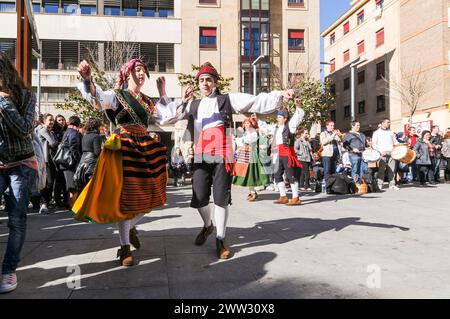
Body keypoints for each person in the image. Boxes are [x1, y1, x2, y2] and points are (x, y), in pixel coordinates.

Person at [156, 62, 295, 259]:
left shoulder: (227, 99)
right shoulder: (191, 103)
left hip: (223, 154)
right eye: (201, 80)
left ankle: (220, 238)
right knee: (199, 196)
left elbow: (255, 102)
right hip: (202, 155)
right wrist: (163, 92)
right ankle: (208, 225)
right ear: (198, 83)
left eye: (208, 80)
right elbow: (167, 117)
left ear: (215, 82)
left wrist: (280, 94)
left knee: (221, 197)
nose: (204, 83)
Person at [75, 58, 170, 266]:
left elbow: (167, 118)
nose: (142, 73)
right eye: (137, 69)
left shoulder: (146, 100)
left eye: (144, 69)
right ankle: (125, 246)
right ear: (127, 73)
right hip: (124, 147)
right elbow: (98, 99)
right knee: (126, 199)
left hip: (144, 147)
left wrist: (163, 92)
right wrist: (89, 80)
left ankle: (130, 228)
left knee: (154, 194)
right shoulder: (117, 95)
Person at [0, 53, 38, 293]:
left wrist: (2, 103)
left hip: (21, 165)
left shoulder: (26, 97)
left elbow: (24, 129)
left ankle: (9, 271)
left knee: (16, 219)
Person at [262, 96, 304, 205]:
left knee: (291, 176)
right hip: (278, 153)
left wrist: (298, 106)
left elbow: (297, 117)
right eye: (278, 117)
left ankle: (296, 198)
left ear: (285, 119)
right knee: (277, 175)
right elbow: (265, 128)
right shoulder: (276, 127)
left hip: (287, 153)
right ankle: (283, 196)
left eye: (280, 117)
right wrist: (257, 119)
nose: (278, 119)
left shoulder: (290, 126)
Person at [232, 117, 270, 201]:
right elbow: (240, 143)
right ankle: (252, 192)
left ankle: (253, 192)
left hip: (252, 154)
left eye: (248, 123)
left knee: (250, 174)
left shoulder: (253, 132)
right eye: (245, 123)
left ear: (251, 124)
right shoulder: (245, 132)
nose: (246, 125)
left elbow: (248, 141)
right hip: (245, 154)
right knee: (247, 174)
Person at [36, 113, 59, 213]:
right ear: (44, 121)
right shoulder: (43, 130)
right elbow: (53, 143)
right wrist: (56, 142)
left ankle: (45, 203)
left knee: (48, 182)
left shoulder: (48, 131)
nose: (52, 122)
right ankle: (44, 203)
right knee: (48, 182)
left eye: (53, 120)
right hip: (45, 160)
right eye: (50, 120)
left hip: (46, 159)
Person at [58, 116, 82, 207]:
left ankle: (70, 205)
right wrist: (79, 160)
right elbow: (74, 147)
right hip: (70, 163)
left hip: (65, 162)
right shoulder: (73, 133)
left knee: (70, 186)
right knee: (73, 186)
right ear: (78, 124)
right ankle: (73, 206)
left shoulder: (67, 132)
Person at [74, 118, 103, 192]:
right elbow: (97, 152)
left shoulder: (85, 136)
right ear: (97, 127)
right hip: (91, 163)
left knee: (84, 188)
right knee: (91, 187)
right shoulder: (96, 136)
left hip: (83, 162)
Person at [372, 119, 399, 191]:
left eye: (389, 122)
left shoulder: (391, 132)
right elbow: (374, 144)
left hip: (391, 152)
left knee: (392, 170)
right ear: (382, 123)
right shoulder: (377, 132)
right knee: (381, 170)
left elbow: (395, 142)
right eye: (387, 122)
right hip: (382, 153)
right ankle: (379, 184)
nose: (389, 124)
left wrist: (400, 145)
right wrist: (380, 151)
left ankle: (392, 184)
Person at [320, 120, 343, 192]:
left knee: (333, 171)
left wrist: (339, 135)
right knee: (327, 171)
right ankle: (328, 188)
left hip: (335, 155)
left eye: (333, 125)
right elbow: (324, 142)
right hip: (327, 155)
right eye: (331, 125)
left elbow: (340, 141)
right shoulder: (323, 133)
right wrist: (333, 135)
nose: (333, 127)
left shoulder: (334, 133)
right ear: (327, 126)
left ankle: (333, 187)